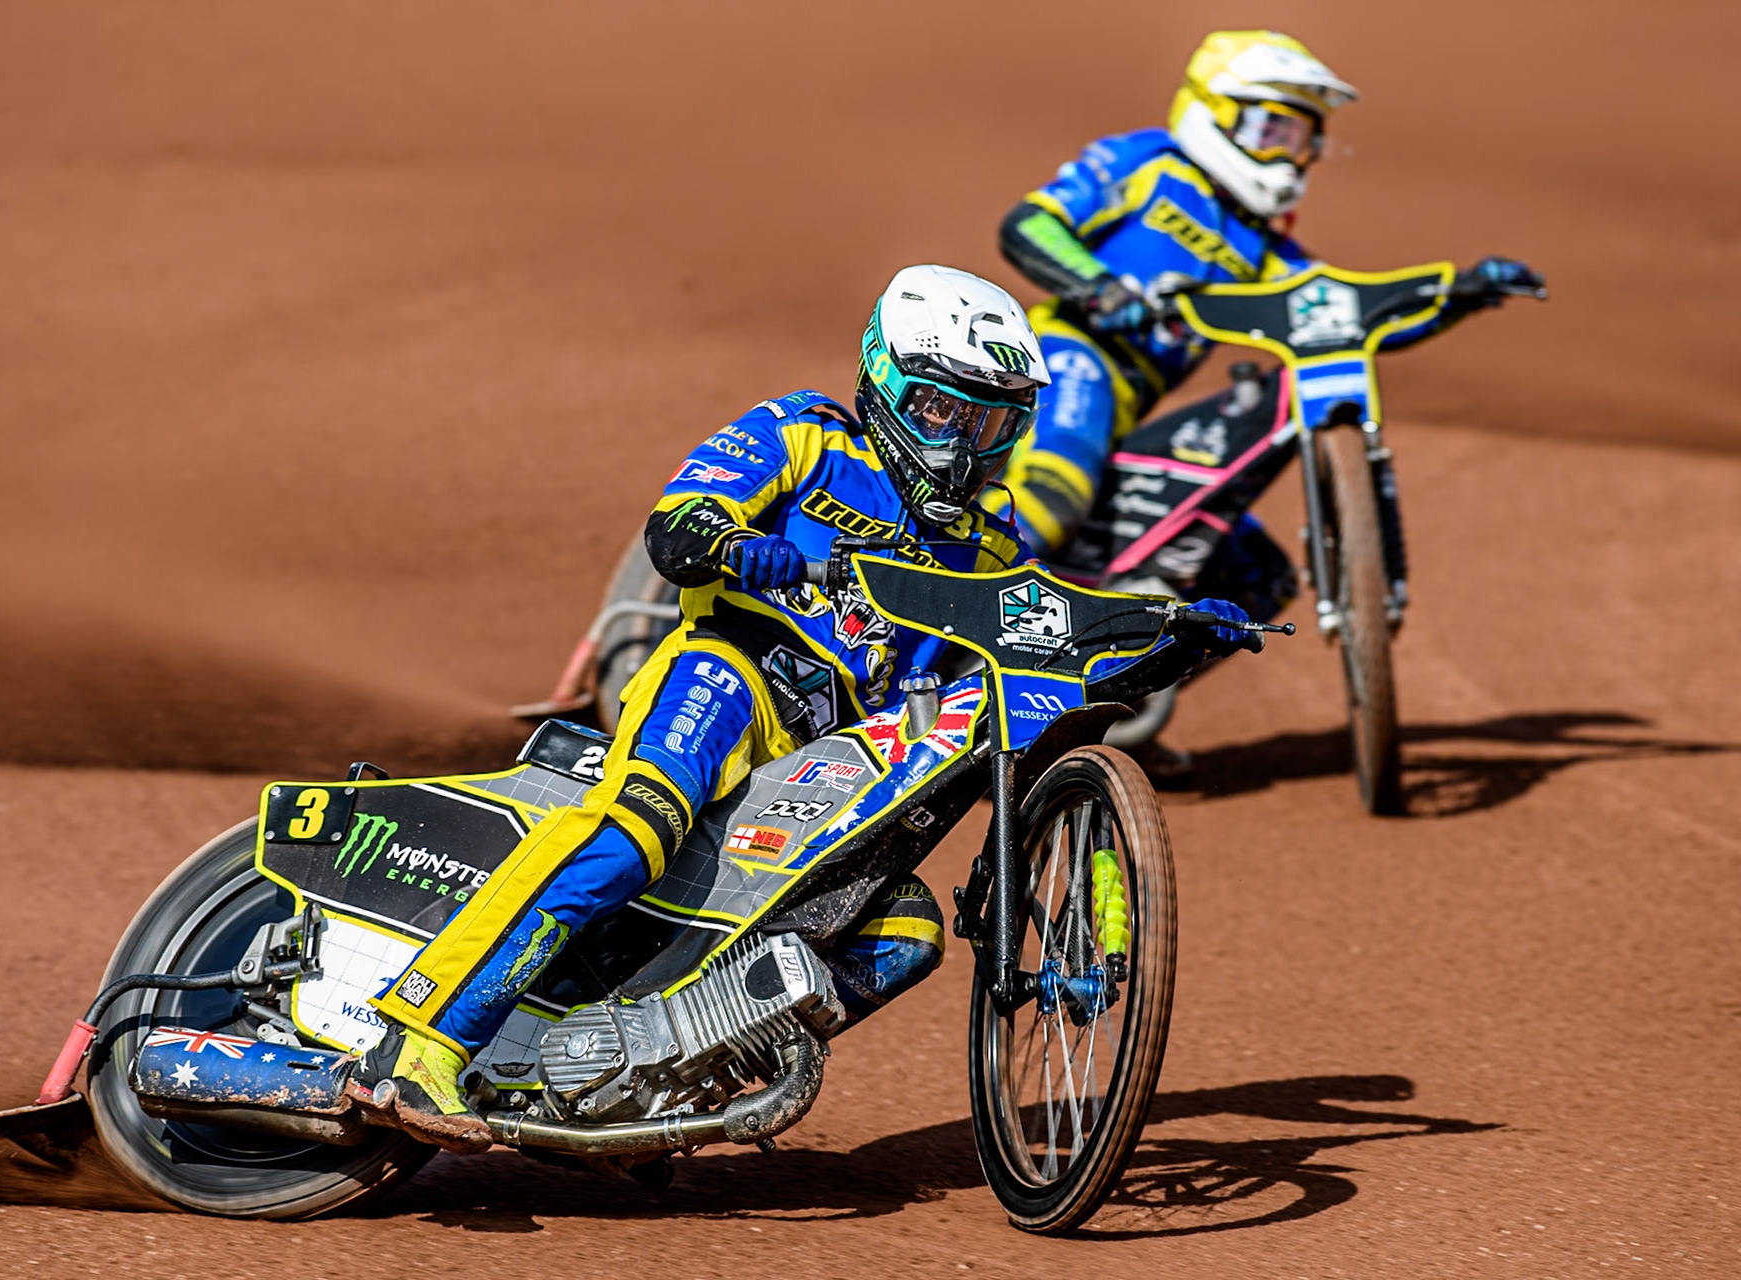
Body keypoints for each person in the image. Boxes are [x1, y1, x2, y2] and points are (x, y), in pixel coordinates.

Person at [350, 265, 1255, 1151]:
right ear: (889, 383)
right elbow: (678, 527)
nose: (964, 446)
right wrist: (741, 548)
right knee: (638, 826)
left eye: (991, 423)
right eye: (946, 411)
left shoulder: (986, 537)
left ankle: (658, 1067)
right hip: (731, 675)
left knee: (905, 928)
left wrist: (1160, 631)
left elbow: (1041, 628)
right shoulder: (804, 434)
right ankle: (422, 1039)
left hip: (830, 761)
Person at [989, 28, 1542, 774]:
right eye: (1270, 128)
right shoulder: (1145, 162)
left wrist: (1461, 292)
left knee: (1257, 577)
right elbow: (1030, 225)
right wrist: (1097, 286)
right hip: (1067, 359)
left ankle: (1099, 718)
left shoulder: (1266, 250)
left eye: (1303, 138)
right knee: (1054, 493)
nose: (1287, 154)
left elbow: (1344, 316)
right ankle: (964, 696)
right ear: (1214, 113)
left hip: (1131, 412)